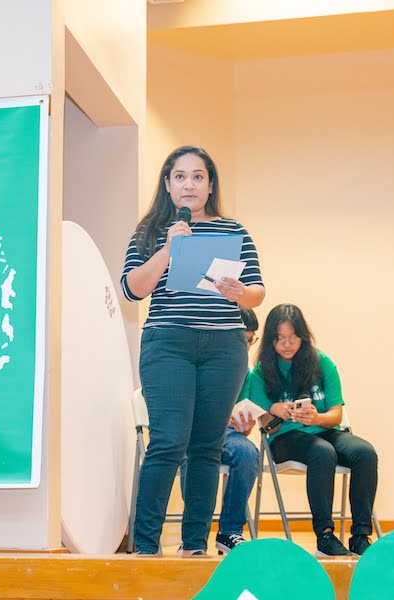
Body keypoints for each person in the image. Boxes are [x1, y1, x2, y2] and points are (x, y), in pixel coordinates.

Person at [121, 145, 265, 556]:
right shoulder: (149, 232)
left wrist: (241, 293)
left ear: (210, 184)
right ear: (167, 185)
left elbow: (257, 291)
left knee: (206, 446)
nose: (189, 184)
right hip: (169, 344)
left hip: (224, 346)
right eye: (180, 176)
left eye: (198, 176)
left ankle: (194, 547)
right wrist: (169, 250)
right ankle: (146, 547)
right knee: (168, 442)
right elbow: (133, 289)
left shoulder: (234, 230)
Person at [238, 303, 379, 557]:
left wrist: (316, 417)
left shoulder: (321, 362)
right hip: (284, 438)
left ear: (303, 336)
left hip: (324, 429)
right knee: (322, 453)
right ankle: (324, 536)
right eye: (280, 339)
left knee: (365, 453)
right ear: (270, 340)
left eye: (293, 338)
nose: (287, 344)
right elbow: (263, 420)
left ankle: (360, 536)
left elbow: (336, 414)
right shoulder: (261, 372)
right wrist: (276, 409)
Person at [180, 307, 261, 555]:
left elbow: (242, 422)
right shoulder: (196, 362)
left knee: (247, 452)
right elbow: (184, 412)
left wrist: (245, 426)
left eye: (250, 340)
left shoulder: (245, 373)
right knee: (194, 454)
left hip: (228, 435)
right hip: (192, 433)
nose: (246, 346)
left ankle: (230, 531)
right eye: (242, 339)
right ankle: (194, 536)